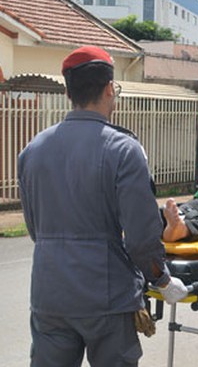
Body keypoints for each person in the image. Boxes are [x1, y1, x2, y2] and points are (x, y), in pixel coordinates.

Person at [18, 46, 188, 367]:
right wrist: (161, 279)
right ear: (110, 89)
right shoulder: (123, 149)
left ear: (69, 92)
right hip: (105, 297)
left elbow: (35, 229)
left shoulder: (32, 150)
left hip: (49, 294)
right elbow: (140, 236)